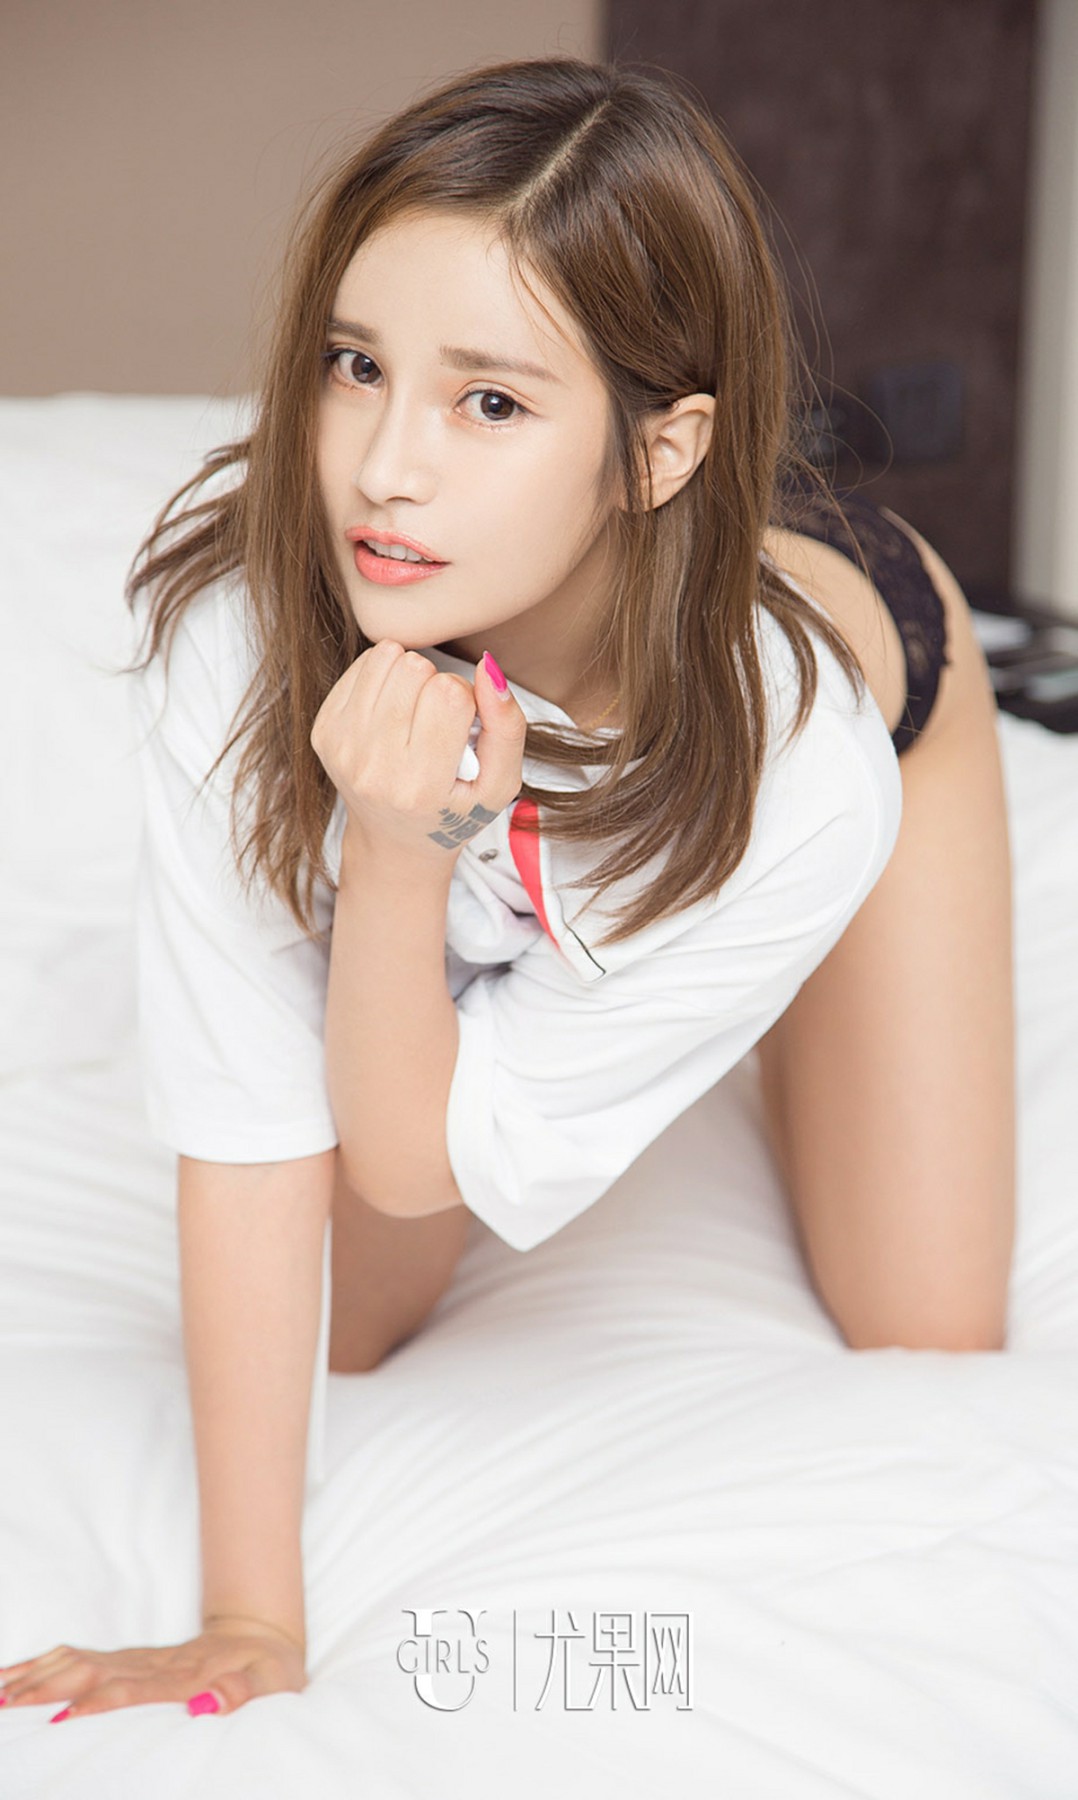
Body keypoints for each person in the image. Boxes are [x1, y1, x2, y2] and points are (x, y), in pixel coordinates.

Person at [0, 53, 1015, 1725]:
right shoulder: (234, 635)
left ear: (657, 448)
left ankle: (713, 961)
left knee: (920, 1325)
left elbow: (408, 1158)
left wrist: (404, 864)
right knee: (342, 1328)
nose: (383, 471)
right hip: (515, 761)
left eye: (488, 402)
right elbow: (258, 1124)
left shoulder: (810, 769)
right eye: (356, 366)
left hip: (815, 689)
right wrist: (248, 1616)